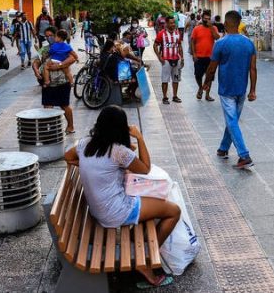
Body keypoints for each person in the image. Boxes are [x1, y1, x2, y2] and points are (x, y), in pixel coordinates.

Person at [64, 105, 180, 288]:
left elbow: (67, 156)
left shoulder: (85, 143)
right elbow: (145, 168)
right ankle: (145, 261)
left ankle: (141, 252)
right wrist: (139, 137)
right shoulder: (118, 151)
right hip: (117, 212)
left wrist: (91, 167)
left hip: (97, 211)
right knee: (173, 211)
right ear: (120, 127)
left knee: (151, 205)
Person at [203, 10, 257, 169]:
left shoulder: (220, 43)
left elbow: (212, 68)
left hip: (226, 90)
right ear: (239, 24)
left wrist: (207, 83)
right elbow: (253, 69)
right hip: (242, 90)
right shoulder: (249, 43)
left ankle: (244, 155)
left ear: (226, 24)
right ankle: (223, 148)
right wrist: (252, 90)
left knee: (231, 121)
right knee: (232, 120)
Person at [33, 27, 76, 134]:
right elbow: (37, 61)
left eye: (51, 35)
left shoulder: (64, 47)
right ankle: (51, 129)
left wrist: (59, 65)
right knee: (48, 106)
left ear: (56, 35)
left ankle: (70, 126)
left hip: (62, 81)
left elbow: (73, 58)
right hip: (48, 83)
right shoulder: (45, 48)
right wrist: (36, 71)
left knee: (64, 105)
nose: (49, 38)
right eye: (46, 36)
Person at [190, 10, 220, 101]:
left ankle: (207, 94)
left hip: (211, 57)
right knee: (198, 75)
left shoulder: (214, 28)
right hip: (199, 56)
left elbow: (217, 38)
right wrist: (194, 54)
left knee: (209, 76)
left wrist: (211, 27)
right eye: (205, 19)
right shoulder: (197, 28)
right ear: (202, 19)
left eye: (208, 19)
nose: (207, 20)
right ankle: (200, 87)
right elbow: (192, 41)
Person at [153, 16, 184, 104]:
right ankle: (165, 97)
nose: (173, 24)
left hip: (176, 59)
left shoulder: (177, 33)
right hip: (166, 60)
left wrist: (182, 58)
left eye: (174, 22)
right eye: (171, 23)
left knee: (176, 79)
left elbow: (179, 46)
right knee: (165, 80)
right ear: (166, 24)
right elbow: (155, 45)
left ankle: (175, 96)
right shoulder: (161, 33)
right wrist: (159, 57)